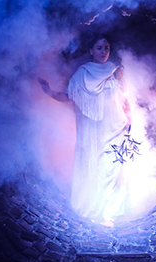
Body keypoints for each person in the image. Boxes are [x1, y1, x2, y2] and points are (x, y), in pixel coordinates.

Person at [38, 34, 132, 227]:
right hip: (91, 130)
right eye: (99, 48)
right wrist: (49, 92)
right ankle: (93, 210)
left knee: (112, 168)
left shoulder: (116, 71)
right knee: (93, 167)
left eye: (106, 48)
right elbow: (70, 96)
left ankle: (110, 214)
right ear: (91, 51)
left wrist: (129, 119)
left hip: (114, 127)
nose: (104, 51)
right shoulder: (82, 74)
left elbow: (124, 98)